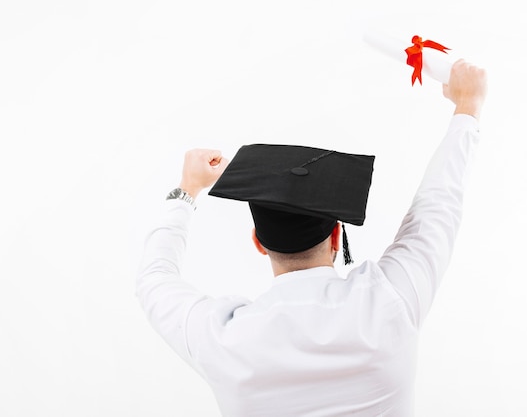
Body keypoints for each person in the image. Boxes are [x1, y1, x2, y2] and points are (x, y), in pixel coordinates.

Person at [136, 59, 487, 416]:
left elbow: (154, 279)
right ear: (336, 236)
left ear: (258, 242)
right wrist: (467, 108)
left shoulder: (224, 339)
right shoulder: (390, 300)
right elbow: (437, 207)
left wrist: (188, 189)